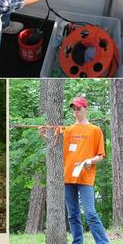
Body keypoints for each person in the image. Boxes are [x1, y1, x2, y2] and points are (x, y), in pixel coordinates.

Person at [39, 97, 109, 244]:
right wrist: (43, 135)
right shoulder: (69, 130)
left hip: (85, 178)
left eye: (79, 109)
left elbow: (101, 156)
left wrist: (90, 161)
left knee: (90, 213)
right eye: (74, 109)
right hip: (69, 178)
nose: (76, 112)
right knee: (72, 215)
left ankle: (103, 242)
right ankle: (77, 242)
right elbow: (54, 145)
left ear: (85, 109)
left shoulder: (95, 130)